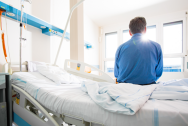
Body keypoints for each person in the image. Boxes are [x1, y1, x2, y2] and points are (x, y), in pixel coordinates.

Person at [114, 17, 163, 85]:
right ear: (145, 30)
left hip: (124, 87)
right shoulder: (156, 47)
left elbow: (116, 74)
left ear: (129, 32)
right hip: (148, 86)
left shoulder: (120, 48)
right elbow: (158, 73)